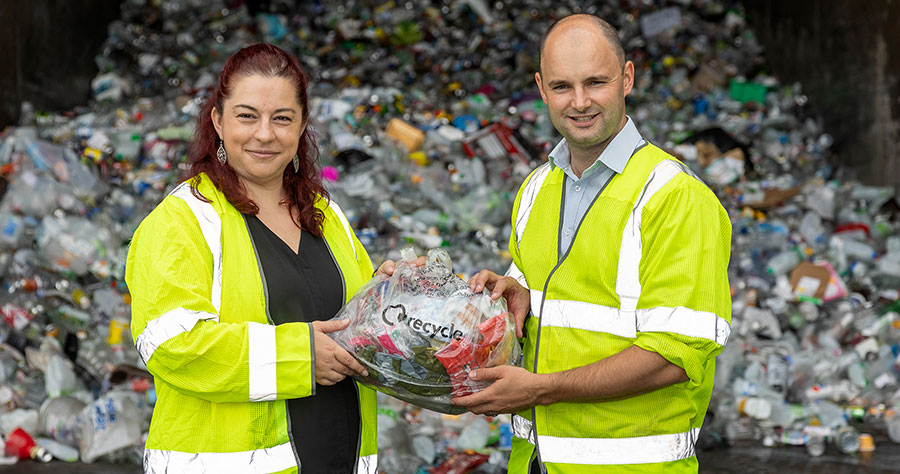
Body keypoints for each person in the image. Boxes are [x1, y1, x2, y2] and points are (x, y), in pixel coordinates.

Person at [457, 14, 732, 473]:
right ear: (541, 89)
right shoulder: (536, 190)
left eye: (596, 82)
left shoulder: (674, 196)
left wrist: (540, 388)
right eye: (563, 86)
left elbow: (677, 357)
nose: (580, 102)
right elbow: (563, 304)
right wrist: (511, 299)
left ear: (626, 78)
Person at [126, 43, 399, 474]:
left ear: (302, 124)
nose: (265, 134)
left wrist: (396, 295)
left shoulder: (326, 216)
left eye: (282, 118)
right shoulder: (183, 220)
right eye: (247, 116)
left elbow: (357, 324)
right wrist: (299, 357)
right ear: (218, 120)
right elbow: (171, 345)